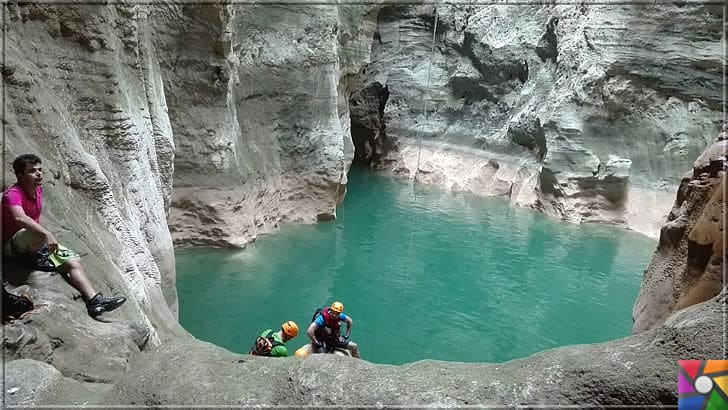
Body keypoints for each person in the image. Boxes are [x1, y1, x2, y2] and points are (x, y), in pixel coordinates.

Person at [2, 154, 126, 317]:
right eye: (32, 171)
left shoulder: (38, 190)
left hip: (33, 243)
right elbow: (19, 218)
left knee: (74, 260)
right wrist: (47, 234)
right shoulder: (13, 194)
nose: (39, 174)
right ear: (20, 176)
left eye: (40, 170)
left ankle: (94, 301)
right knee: (37, 231)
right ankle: (31, 257)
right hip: (12, 246)